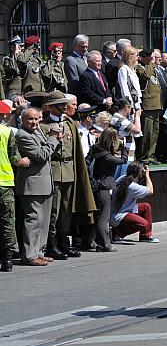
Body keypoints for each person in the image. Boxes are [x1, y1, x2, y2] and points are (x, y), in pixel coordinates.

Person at [42, 90, 97, 258]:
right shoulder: (44, 126)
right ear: (52, 107)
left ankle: (63, 242)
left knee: (66, 210)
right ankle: (51, 245)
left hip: (69, 170)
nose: (65, 106)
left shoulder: (69, 124)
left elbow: (76, 152)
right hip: (54, 169)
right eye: (61, 104)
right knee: (54, 211)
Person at [16, 107, 61, 266]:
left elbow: (47, 152)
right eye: (30, 119)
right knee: (33, 220)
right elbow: (41, 155)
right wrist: (53, 139)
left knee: (43, 222)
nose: (34, 122)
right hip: (32, 185)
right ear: (22, 120)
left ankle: (39, 252)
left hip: (45, 183)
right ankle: (29, 255)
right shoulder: (22, 135)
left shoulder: (38, 132)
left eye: (36, 119)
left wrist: (54, 140)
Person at [87, 128, 128, 251]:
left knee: (96, 216)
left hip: (93, 185)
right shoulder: (107, 157)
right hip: (103, 186)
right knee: (103, 217)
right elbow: (123, 160)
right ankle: (104, 244)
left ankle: (92, 242)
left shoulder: (94, 149)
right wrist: (124, 147)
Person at [0, 100, 25, 272]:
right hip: (5, 183)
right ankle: (7, 259)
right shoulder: (7, 132)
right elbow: (14, 157)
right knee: (7, 221)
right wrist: (23, 161)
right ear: (4, 115)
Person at [111, 161, 158, 243]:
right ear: (139, 173)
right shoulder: (132, 186)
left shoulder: (122, 178)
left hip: (121, 210)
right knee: (143, 223)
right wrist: (147, 175)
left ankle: (145, 236)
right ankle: (116, 234)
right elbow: (150, 191)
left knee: (146, 207)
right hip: (118, 215)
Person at [136, 49, 162, 164]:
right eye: (151, 57)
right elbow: (146, 76)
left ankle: (151, 155)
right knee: (147, 132)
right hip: (147, 105)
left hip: (156, 104)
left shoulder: (152, 68)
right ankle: (144, 156)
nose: (154, 59)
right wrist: (151, 63)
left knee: (155, 132)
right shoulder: (140, 67)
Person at [116, 46, 142, 112]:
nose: (138, 58)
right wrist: (129, 105)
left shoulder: (132, 69)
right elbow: (124, 89)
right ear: (130, 56)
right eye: (136, 56)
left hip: (136, 102)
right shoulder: (123, 70)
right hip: (130, 105)